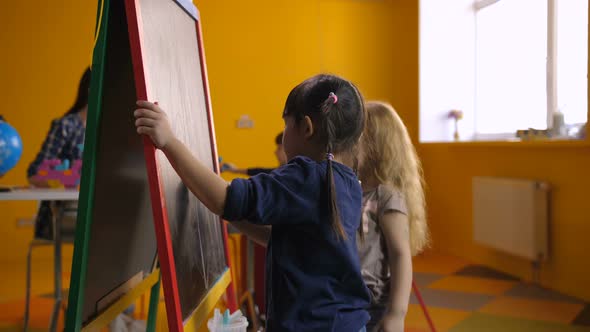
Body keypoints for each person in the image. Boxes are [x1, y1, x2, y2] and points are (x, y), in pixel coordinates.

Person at [134, 74, 371, 332]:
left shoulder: (305, 177)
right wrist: (229, 214)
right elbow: (285, 239)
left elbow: (226, 198)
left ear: (306, 128)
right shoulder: (347, 182)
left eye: (285, 125)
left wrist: (168, 141)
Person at [356, 102, 429, 332]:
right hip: (351, 299)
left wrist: (397, 313)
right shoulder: (355, 190)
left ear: (375, 146)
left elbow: (400, 254)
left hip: (373, 305)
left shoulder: (385, 196)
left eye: (353, 139)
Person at [27, 68, 90, 239]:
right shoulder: (65, 127)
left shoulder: (109, 131)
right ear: (92, 89)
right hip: (63, 214)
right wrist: (63, 184)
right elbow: (34, 174)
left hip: (97, 210)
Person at [222, 132, 287, 176]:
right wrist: (235, 170)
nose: (275, 152)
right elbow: (262, 171)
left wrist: (236, 170)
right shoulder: (281, 172)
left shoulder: (284, 175)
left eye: (279, 148)